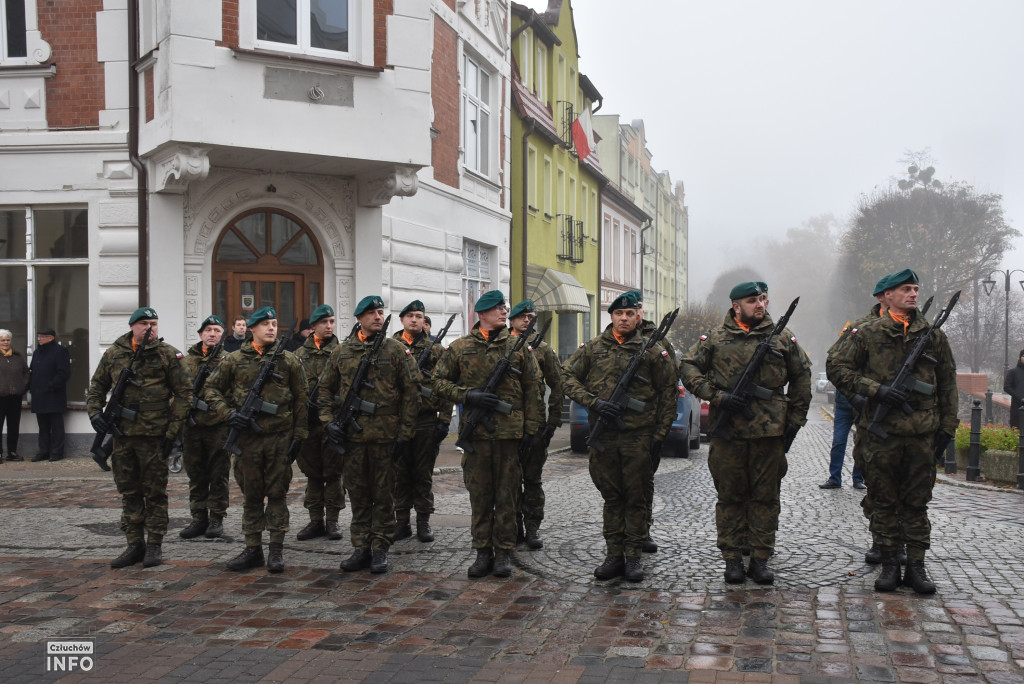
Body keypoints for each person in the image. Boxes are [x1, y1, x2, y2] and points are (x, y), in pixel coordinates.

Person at [828, 269, 958, 594]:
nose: (913, 294)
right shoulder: (867, 332)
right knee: (883, 502)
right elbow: (836, 366)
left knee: (916, 503)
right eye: (905, 289)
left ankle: (916, 566)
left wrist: (948, 427)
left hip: (921, 436)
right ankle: (888, 564)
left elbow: (948, 384)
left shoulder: (933, 335)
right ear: (887, 296)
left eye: (915, 289)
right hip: (881, 434)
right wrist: (875, 390)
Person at [680, 282, 811, 585]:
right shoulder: (715, 338)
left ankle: (761, 558)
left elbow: (802, 375)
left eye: (763, 299)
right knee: (730, 498)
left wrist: (795, 418)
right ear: (736, 306)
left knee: (766, 499)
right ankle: (732, 559)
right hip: (729, 433)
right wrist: (716, 395)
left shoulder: (782, 339)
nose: (761, 305)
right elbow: (687, 367)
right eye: (753, 301)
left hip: (769, 434)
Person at [562, 291, 677, 582]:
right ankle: (614, 555)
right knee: (612, 497)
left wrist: (659, 434)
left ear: (637, 316)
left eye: (628, 314)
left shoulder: (652, 350)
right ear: (611, 316)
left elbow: (667, 393)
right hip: (604, 435)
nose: (623, 318)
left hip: (638, 436)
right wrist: (592, 401)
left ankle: (634, 557)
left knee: (635, 498)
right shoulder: (592, 348)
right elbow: (565, 377)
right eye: (618, 314)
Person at [432, 290, 543, 578]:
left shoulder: (518, 346)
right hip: (477, 437)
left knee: (507, 498)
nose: (504, 312)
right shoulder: (459, 347)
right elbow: (438, 383)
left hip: (509, 437)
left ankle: (504, 552)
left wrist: (532, 430)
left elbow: (533, 389)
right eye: (497, 309)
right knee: (480, 497)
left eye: (505, 307)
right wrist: (469, 396)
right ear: (482, 314)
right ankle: (483, 552)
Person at [203, 306, 308, 573]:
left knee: (276, 495)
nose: (271, 328)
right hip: (247, 440)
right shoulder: (233, 360)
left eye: (274, 323)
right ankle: (253, 549)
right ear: (251, 329)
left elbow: (301, 400)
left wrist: (299, 436)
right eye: (265, 324)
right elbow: (211, 389)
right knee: (251, 496)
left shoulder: (289, 361)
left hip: (278, 438)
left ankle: (276, 550)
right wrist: (229, 414)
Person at [318, 296, 418, 574]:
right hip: (353, 440)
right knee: (359, 495)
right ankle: (361, 547)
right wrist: (328, 422)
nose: (377, 316)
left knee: (384, 496)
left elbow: (411, 392)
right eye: (372, 313)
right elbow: (324, 390)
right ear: (359, 318)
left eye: (380, 311)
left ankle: (380, 549)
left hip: (387, 438)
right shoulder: (342, 352)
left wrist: (405, 433)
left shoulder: (395, 350)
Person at [86, 308, 190, 569]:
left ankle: (154, 544)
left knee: (155, 492)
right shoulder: (114, 354)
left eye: (153, 323)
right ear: (132, 326)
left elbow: (184, 394)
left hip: (155, 436)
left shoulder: (168, 354)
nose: (149, 328)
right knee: (129, 491)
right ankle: (134, 543)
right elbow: (97, 386)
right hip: (123, 437)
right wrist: (95, 414)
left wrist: (173, 431)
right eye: (144, 323)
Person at [826, 286, 894, 565]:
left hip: (869, 406)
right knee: (841, 441)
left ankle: (857, 478)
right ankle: (834, 477)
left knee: (862, 448)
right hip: (846, 404)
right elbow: (837, 368)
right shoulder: (858, 333)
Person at [391, 300, 452, 543]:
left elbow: (446, 385)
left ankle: (423, 522)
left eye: (419, 316)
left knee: (423, 474)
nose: (415, 320)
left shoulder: (436, 349)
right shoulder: (390, 347)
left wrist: (444, 421)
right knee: (399, 474)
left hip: (426, 420)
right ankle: (402, 521)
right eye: (410, 316)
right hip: (396, 421)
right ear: (402, 319)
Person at [507, 300, 562, 549]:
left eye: (531, 317)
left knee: (532, 479)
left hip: (536, 423)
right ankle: (513, 526)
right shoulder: (502, 345)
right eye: (522, 317)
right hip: (506, 425)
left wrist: (553, 420)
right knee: (508, 481)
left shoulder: (543, 349)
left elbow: (558, 384)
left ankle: (532, 528)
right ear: (512, 320)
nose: (527, 320)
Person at [293, 305, 344, 542]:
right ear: (313, 326)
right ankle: (315, 521)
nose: (329, 326)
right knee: (312, 474)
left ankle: (332, 521)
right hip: (308, 424)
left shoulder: (343, 353)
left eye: (332, 321)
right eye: (324, 322)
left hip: (332, 423)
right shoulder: (297, 355)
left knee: (333, 473)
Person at [178, 315, 230, 540]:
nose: (212, 334)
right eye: (208, 330)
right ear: (200, 334)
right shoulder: (185, 361)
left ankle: (217, 518)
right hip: (192, 427)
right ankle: (199, 517)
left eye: (217, 331)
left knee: (218, 474)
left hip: (218, 427)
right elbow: (176, 390)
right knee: (196, 474)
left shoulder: (230, 360)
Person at [29, 328, 71, 462]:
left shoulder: (60, 351)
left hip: (54, 395)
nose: (39, 339)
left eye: (42, 336)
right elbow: (33, 371)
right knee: (43, 426)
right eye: (39, 336)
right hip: (39, 395)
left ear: (51, 338)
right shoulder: (37, 352)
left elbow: (63, 373)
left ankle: (57, 452)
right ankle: (43, 451)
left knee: (56, 425)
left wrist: (50, 385)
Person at [0, 329, 29, 463]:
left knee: (13, 425)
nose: (5, 342)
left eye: (7, 340)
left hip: (15, 397)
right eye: (2, 340)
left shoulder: (18, 356)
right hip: (0, 397)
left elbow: (26, 373)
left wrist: (22, 386)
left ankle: (12, 452)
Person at [1003, 349, 1024, 430]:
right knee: (1016, 429)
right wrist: (1019, 397)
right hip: (1017, 406)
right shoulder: (1013, 372)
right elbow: (1006, 387)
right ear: (1020, 358)